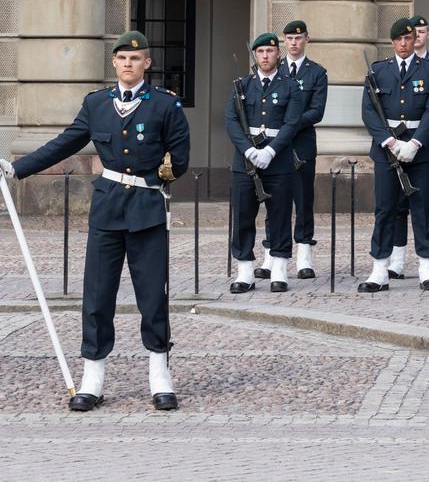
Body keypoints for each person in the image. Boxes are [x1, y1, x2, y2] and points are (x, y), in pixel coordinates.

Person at [2, 31, 189, 411]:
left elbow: (180, 158)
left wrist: (157, 177)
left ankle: (160, 376)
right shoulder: (97, 104)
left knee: (153, 296)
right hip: (107, 210)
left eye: (135, 59)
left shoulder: (165, 105)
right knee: (98, 296)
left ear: (147, 63)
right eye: (122, 59)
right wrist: (17, 169)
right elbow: (65, 142)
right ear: (114, 63)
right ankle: (93, 377)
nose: (128, 64)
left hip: (147, 210)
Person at [359, 18, 429, 292]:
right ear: (392, 42)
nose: (403, 43)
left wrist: (415, 143)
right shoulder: (378, 71)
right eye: (398, 39)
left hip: (421, 151)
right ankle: (380, 270)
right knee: (385, 209)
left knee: (423, 209)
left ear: (414, 40)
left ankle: (426, 268)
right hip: (387, 151)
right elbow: (369, 112)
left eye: (408, 38)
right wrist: (389, 142)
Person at [226, 33, 303, 294]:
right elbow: (231, 121)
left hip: (278, 161)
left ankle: (279, 269)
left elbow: (291, 123)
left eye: (270, 51)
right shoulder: (242, 86)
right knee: (243, 216)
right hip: (245, 162)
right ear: (255, 55)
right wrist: (249, 151)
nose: (265, 56)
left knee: (280, 215)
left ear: (278, 54)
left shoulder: (290, 87)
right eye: (260, 52)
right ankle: (245, 271)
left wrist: (270, 151)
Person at [254, 20, 327, 282]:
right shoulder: (274, 69)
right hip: (276, 145)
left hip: (302, 143)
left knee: (303, 199)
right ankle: (271, 253)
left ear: (307, 39)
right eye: (289, 38)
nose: (294, 42)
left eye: (298, 38)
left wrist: (290, 123)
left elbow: (316, 111)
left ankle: (304, 255)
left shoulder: (316, 73)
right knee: (274, 199)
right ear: (283, 41)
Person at [387, 15, 429, 281]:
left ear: (425, 35)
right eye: (414, 32)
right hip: (396, 145)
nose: (416, 37)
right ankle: (397, 260)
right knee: (398, 203)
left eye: (421, 32)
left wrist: (417, 141)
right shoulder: (389, 67)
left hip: (427, 144)